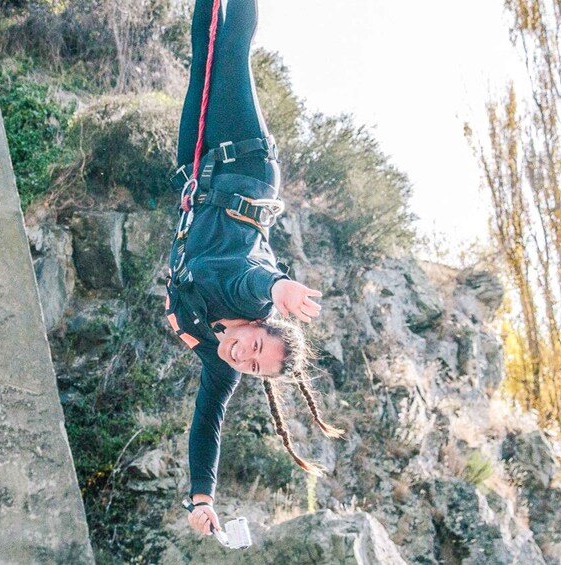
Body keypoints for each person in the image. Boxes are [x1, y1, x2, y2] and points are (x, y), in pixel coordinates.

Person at [164, 0, 344, 539]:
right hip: (244, 165)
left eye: (253, 367)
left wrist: (201, 498)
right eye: (258, 347)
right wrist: (281, 286)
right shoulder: (251, 299)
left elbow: (207, 425)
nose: (244, 356)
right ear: (262, 324)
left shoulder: (222, 361)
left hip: (200, 172)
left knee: (202, 55)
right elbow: (245, 277)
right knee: (233, 47)